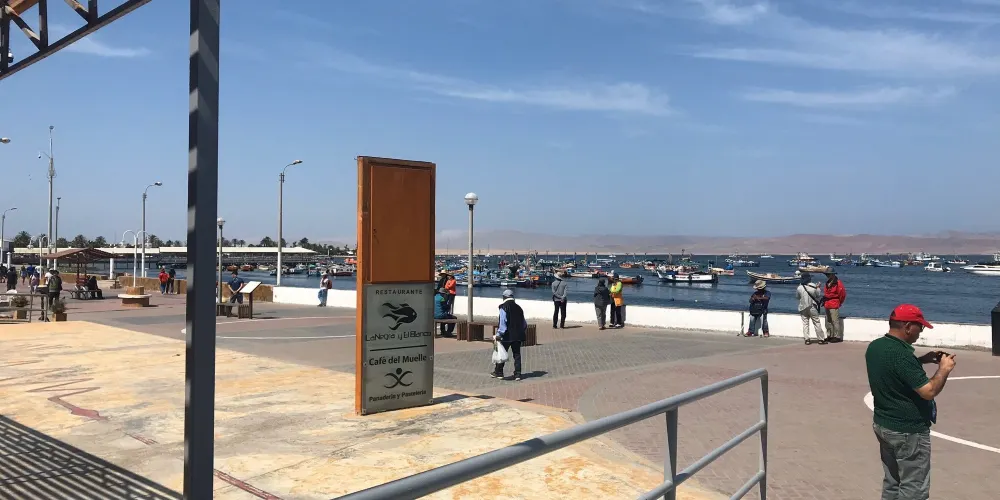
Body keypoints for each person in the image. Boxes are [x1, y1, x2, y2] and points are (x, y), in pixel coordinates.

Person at [866, 305, 956, 500]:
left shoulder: (876, 346)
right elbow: (928, 391)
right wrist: (944, 369)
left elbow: (894, 368)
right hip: (908, 430)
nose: (920, 332)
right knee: (914, 489)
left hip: (884, 424)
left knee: (892, 482)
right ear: (907, 327)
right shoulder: (901, 355)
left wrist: (922, 360)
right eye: (919, 327)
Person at [492, 289, 526, 381]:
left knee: (502, 353)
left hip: (507, 335)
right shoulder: (519, 308)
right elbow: (524, 323)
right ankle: (518, 374)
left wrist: (499, 334)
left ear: (504, 297)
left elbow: (503, 323)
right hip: (518, 335)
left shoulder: (503, 307)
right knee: (517, 355)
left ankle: (499, 372)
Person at [796, 273, 825, 344]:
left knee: (805, 323)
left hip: (803, 307)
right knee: (816, 322)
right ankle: (821, 339)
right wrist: (818, 287)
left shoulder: (799, 287)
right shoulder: (813, 286)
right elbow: (818, 295)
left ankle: (807, 339)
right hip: (812, 306)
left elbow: (797, 297)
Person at [823, 270, 847, 343]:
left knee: (835, 321)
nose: (827, 276)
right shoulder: (827, 283)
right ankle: (830, 335)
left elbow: (842, 294)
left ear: (833, 274)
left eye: (829, 274)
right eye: (827, 274)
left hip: (834, 303)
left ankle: (837, 336)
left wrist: (839, 302)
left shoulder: (838, 283)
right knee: (828, 321)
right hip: (827, 303)